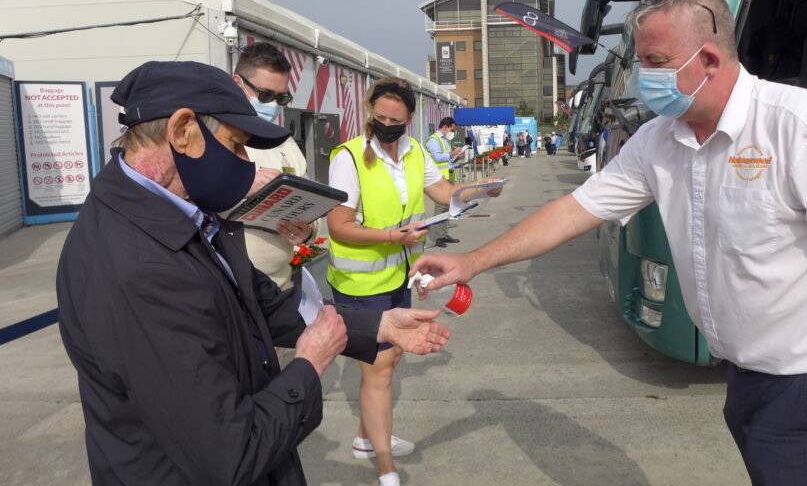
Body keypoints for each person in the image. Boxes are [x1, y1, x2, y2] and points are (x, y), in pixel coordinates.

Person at [411, 0, 807, 486]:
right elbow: (573, 210)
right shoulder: (661, 140)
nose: (644, 77)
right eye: (641, 62)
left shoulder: (806, 129)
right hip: (748, 376)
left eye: (657, 63)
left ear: (708, 60)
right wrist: (473, 261)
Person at [56, 61, 451, 486]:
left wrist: (378, 325)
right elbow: (232, 452)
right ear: (183, 129)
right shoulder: (138, 269)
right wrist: (309, 363)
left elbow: (265, 302)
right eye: (237, 144)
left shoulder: (188, 216)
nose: (246, 162)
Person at [326, 77, 501, 486]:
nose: (387, 124)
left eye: (396, 119)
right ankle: (385, 467)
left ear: (409, 118)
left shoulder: (413, 150)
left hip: (398, 274)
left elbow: (443, 191)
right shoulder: (348, 158)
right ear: (371, 111)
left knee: (393, 358)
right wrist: (392, 237)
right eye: (380, 117)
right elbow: (338, 227)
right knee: (380, 368)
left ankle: (369, 438)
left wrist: (480, 189)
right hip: (359, 283)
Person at [231, 42, 316, 288]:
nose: (273, 105)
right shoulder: (214, 138)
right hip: (231, 287)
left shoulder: (284, 143)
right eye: (265, 95)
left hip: (281, 283)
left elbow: (311, 203)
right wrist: (242, 185)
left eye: (282, 97)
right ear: (237, 83)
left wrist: (308, 230)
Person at [423, 116, 464, 249]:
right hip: (440, 177)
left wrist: (458, 155)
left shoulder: (444, 140)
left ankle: (443, 233)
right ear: (445, 127)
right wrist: (453, 153)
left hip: (448, 175)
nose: (452, 133)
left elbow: (448, 160)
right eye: (452, 130)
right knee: (441, 206)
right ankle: (439, 236)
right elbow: (437, 157)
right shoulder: (434, 140)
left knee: (448, 205)